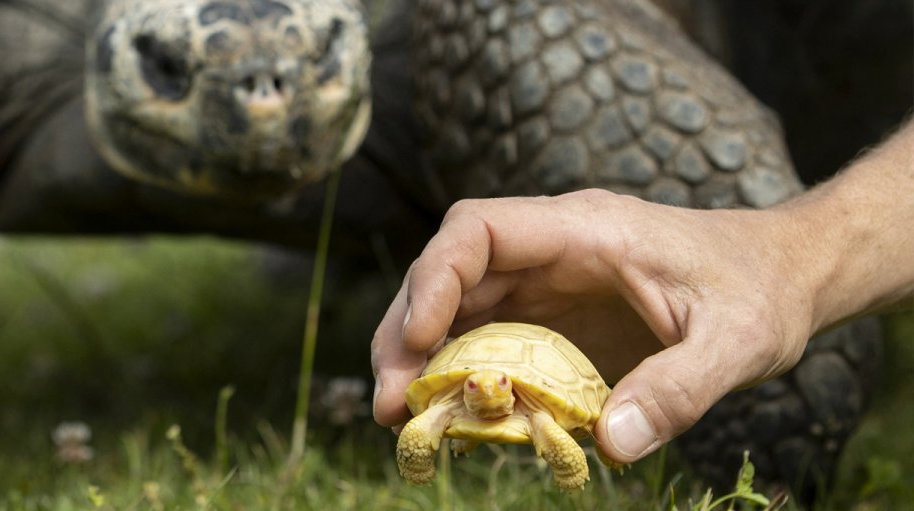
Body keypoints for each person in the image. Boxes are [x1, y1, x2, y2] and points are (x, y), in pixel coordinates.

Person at [372, 119, 914, 466]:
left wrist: (796, 260)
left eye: (488, 385)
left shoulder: (532, 410)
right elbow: (426, 421)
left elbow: (548, 426)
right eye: (474, 386)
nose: (482, 392)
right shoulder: (454, 399)